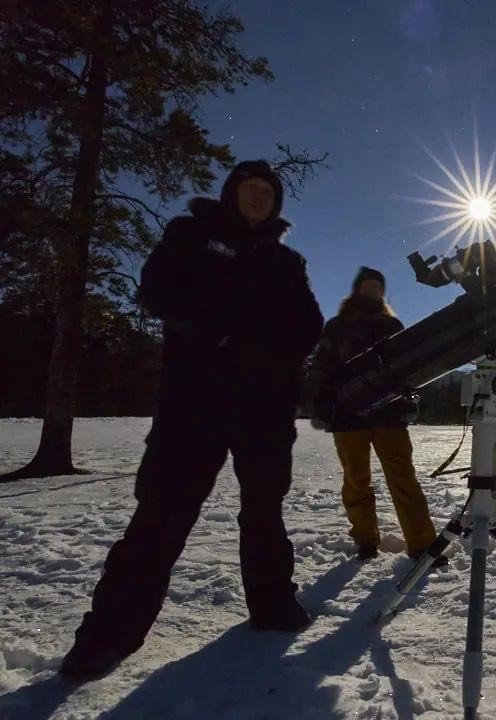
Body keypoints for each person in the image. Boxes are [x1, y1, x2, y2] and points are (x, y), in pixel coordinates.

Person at [60, 161, 325, 677]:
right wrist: (228, 327)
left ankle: (272, 605)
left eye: (266, 192)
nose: (257, 198)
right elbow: (160, 290)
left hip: (265, 410)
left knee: (265, 513)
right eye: (249, 189)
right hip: (193, 403)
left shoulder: (287, 261)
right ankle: (107, 635)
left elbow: (307, 325)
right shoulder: (190, 234)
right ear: (231, 193)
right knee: (162, 515)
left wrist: (266, 347)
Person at [308, 267, 446, 567]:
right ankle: (365, 540)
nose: (374, 292)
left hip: (389, 415)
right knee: (356, 481)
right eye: (369, 286)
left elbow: (410, 365)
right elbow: (321, 368)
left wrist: (410, 399)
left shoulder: (392, 325)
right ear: (358, 290)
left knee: (403, 479)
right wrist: (321, 403)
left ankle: (422, 544)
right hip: (347, 417)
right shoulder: (337, 326)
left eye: (378, 287)